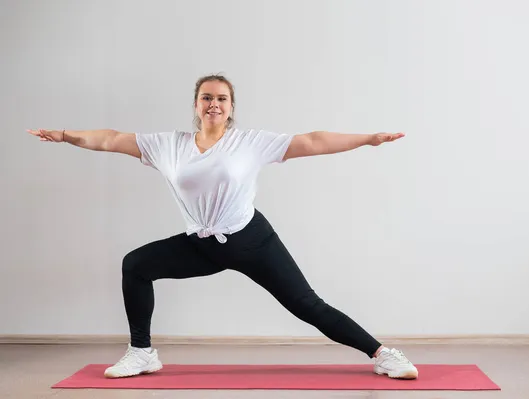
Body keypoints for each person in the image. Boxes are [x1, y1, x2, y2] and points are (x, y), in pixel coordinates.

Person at [27, 74, 418, 380]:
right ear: (196, 106)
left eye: (221, 98)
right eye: (207, 97)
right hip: (202, 244)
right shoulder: (168, 145)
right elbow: (110, 139)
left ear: (231, 108)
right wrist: (64, 136)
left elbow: (313, 141)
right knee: (136, 264)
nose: (214, 104)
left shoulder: (250, 142)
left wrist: (368, 139)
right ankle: (143, 353)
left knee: (306, 305)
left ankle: (383, 354)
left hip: (252, 240)